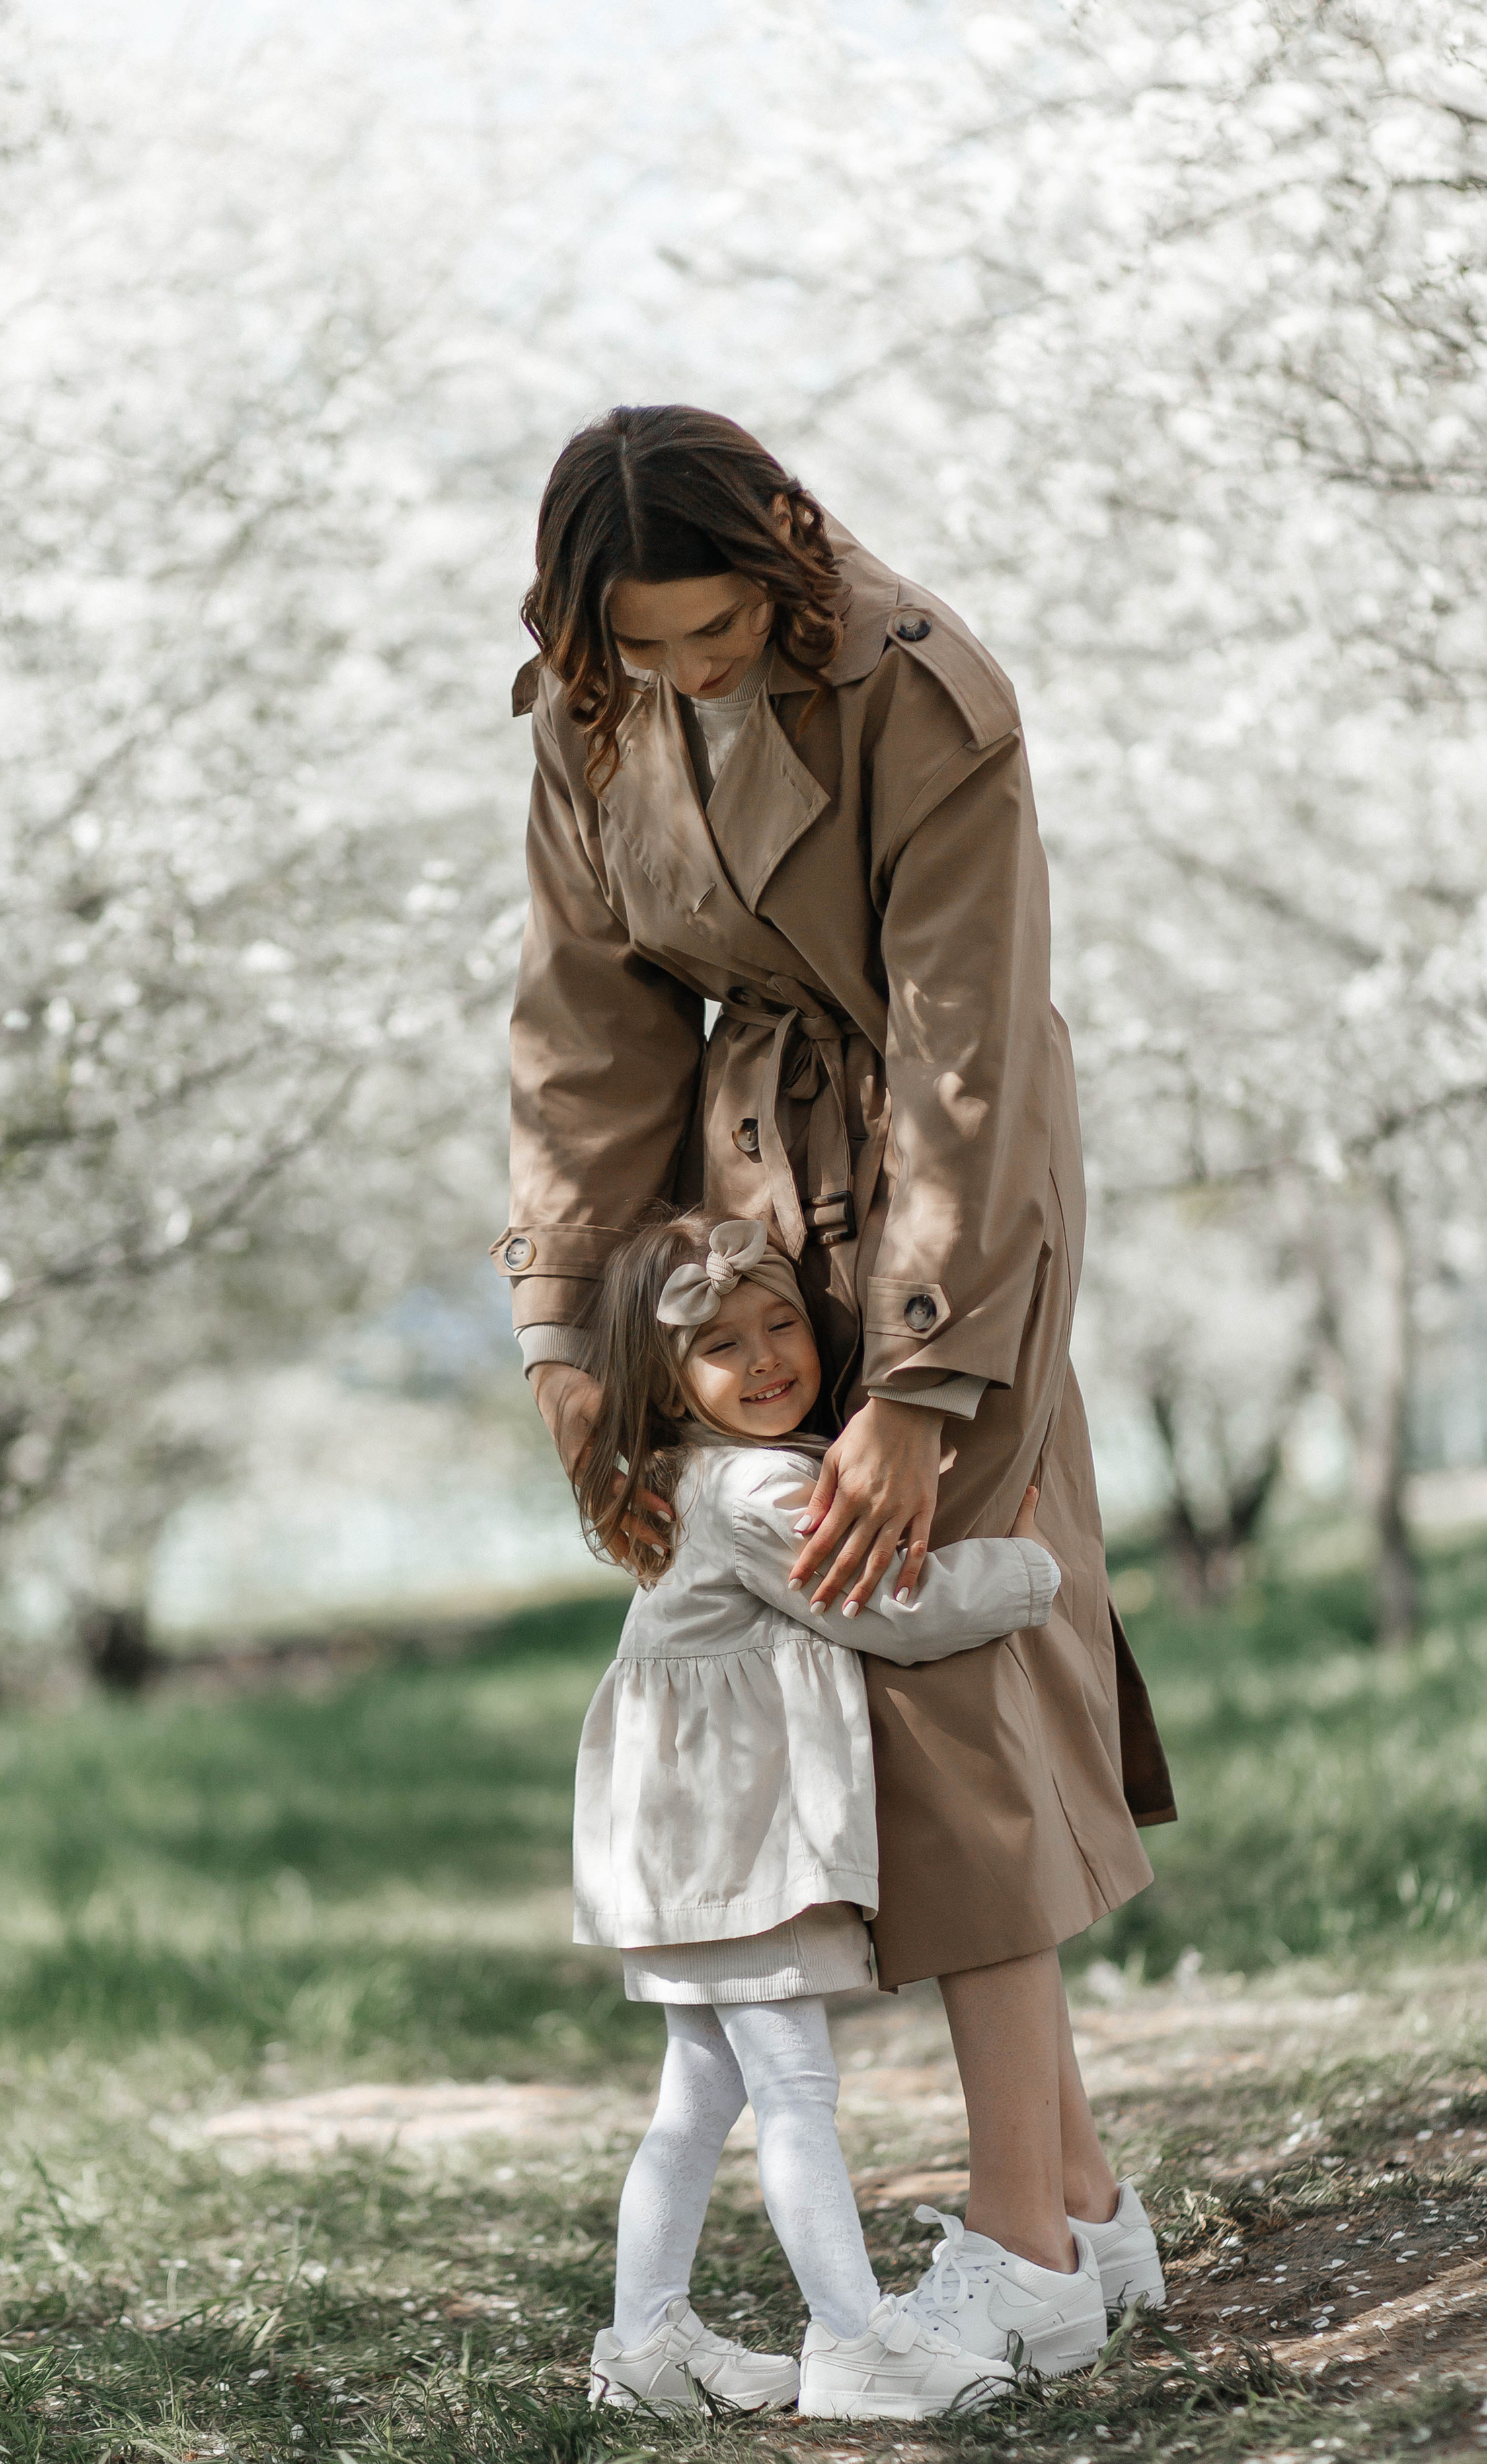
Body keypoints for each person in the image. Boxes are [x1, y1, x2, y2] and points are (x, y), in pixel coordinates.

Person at [495, 404, 1174, 2362]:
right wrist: (573, 1335)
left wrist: (927, 1382)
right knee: (854, 1687)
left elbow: (970, 1046)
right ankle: (1093, 2213)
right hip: (741, 1222)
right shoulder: (586, 707)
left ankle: (1021, 2255)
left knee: (938, 1658)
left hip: (954, 1188)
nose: (685, 675)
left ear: (784, 548)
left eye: (714, 636)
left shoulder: (924, 687)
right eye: (648, 645)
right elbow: (580, 1029)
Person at [574, 1212, 1068, 2420]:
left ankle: (645, 2347)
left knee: (698, 2095)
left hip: (677, 1843)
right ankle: (856, 2344)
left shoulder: (691, 1479)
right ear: (665, 1377)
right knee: (793, 2092)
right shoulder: (755, 1485)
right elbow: (884, 1606)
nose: (764, 1359)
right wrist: (1029, 1568)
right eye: (719, 1346)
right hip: (737, 1842)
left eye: (780, 1322)